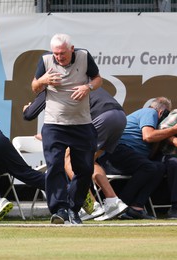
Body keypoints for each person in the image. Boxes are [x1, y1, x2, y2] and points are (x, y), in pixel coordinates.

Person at [23, 87, 128, 221]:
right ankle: (113, 201)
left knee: (70, 160)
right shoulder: (78, 79)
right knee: (88, 161)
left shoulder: (52, 87)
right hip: (119, 117)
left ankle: (91, 206)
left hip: (100, 116)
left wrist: (27, 108)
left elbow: (29, 114)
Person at [31, 33, 103, 224]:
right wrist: (42, 81)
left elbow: (97, 79)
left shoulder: (84, 56)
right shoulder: (46, 60)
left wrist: (88, 87)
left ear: (72, 49)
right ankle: (59, 210)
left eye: (62, 53)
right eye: (56, 53)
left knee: (85, 169)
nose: (59, 57)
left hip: (82, 124)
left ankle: (73, 209)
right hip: (54, 124)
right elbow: (34, 87)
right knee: (54, 165)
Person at [105, 97, 177, 219]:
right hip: (119, 150)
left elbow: (151, 148)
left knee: (159, 167)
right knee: (150, 167)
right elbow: (148, 136)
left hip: (132, 156)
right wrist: (174, 130)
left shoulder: (153, 123)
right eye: (166, 114)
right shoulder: (150, 112)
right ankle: (121, 205)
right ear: (162, 112)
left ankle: (136, 207)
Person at [155, 106, 177, 219]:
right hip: (169, 155)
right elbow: (160, 129)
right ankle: (175, 208)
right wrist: (176, 140)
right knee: (175, 164)